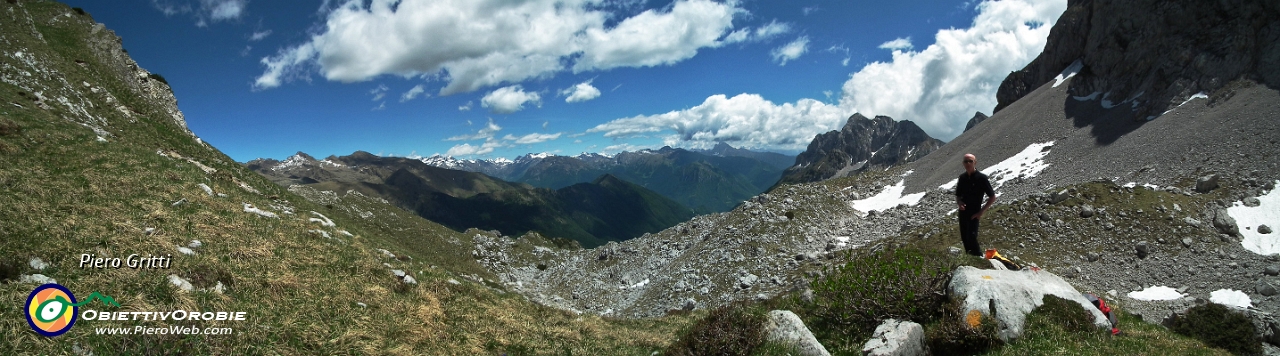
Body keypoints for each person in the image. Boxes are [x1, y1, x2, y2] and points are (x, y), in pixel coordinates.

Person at [955, 153, 996, 256]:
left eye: (970, 161)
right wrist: (959, 203)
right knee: (965, 238)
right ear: (963, 163)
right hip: (963, 212)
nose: (968, 163)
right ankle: (970, 259)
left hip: (975, 212)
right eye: (966, 161)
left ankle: (979, 258)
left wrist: (981, 212)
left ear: (975, 163)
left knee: (972, 236)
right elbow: (958, 195)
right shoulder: (962, 178)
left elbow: (992, 196)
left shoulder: (982, 178)